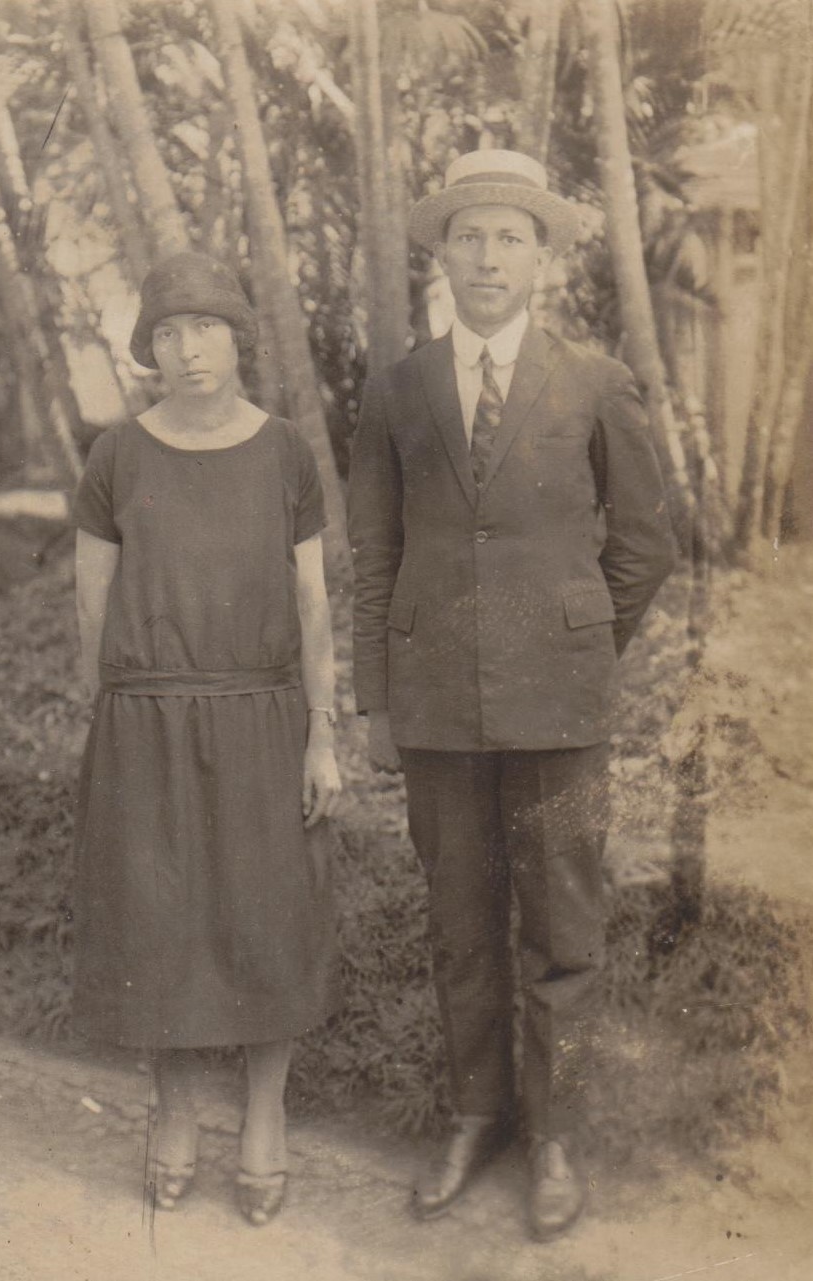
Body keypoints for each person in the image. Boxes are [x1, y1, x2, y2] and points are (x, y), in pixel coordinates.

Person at [347, 150, 676, 1240]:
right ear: (442, 255)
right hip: (437, 710)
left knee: (562, 930)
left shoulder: (594, 382)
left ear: (541, 259)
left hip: (561, 712)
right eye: (469, 236)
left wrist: (577, 642)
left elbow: (644, 544)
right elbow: (375, 552)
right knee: (460, 926)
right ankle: (475, 1115)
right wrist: (376, 702)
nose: (487, 257)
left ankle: (555, 1135)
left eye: (509, 238)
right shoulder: (396, 390)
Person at [71, 253, 341, 1227]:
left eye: (207, 328)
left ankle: (265, 1118)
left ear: (238, 340)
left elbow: (312, 604)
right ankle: (176, 1112)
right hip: (145, 721)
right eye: (169, 332)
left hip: (261, 716)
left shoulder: (284, 453)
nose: (188, 350)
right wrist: (108, 726)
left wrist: (321, 735)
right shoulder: (115, 457)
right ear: (150, 348)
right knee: (159, 928)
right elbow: (91, 608)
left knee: (267, 925)